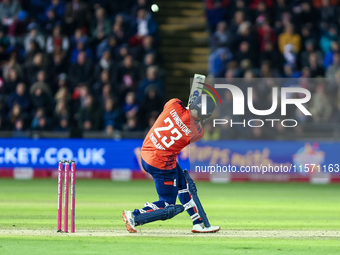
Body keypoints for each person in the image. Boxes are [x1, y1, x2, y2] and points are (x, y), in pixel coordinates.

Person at [122, 95, 220, 233]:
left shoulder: (173, 104)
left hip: (146, 153)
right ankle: (134, 215)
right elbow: (193, 122)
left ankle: (198, 223)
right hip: (161, 164)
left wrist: (189, 105)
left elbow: (180, 108)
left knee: (184, 184)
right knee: (168, 203)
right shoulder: (197, 132)